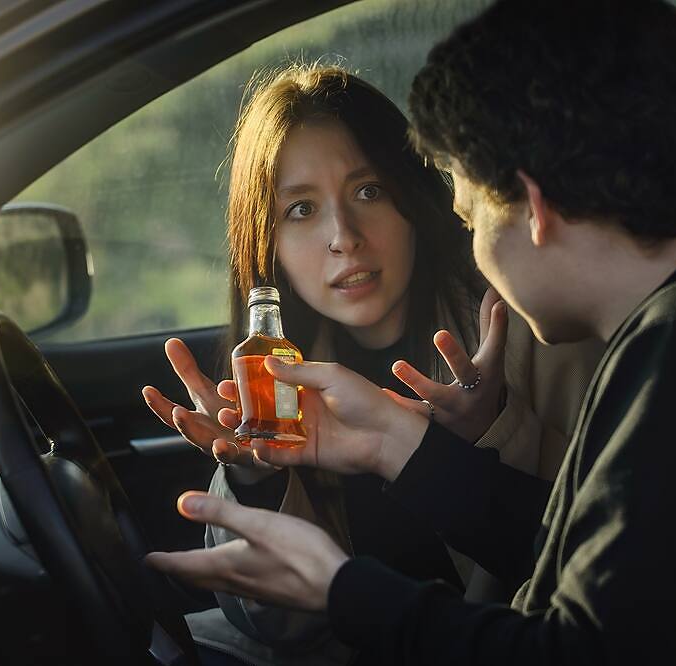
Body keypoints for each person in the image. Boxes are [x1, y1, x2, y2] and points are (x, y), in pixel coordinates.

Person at [146, 1, 676, 663]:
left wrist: (344, 589)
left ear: (535, 207)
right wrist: (389, 439)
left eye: (470, 213)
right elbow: (566, 556)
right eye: (301, 209)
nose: (343, 239)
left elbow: (578, 648)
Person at [141, 63, 602, 665]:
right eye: (301, 210)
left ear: (413, 197)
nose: (344, 235)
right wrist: (259, 479)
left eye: (368, 191)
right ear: (266, 243)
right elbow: (283, 629)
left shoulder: (528, 330)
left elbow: (608, 576)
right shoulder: (279, 381)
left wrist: (495, 430)